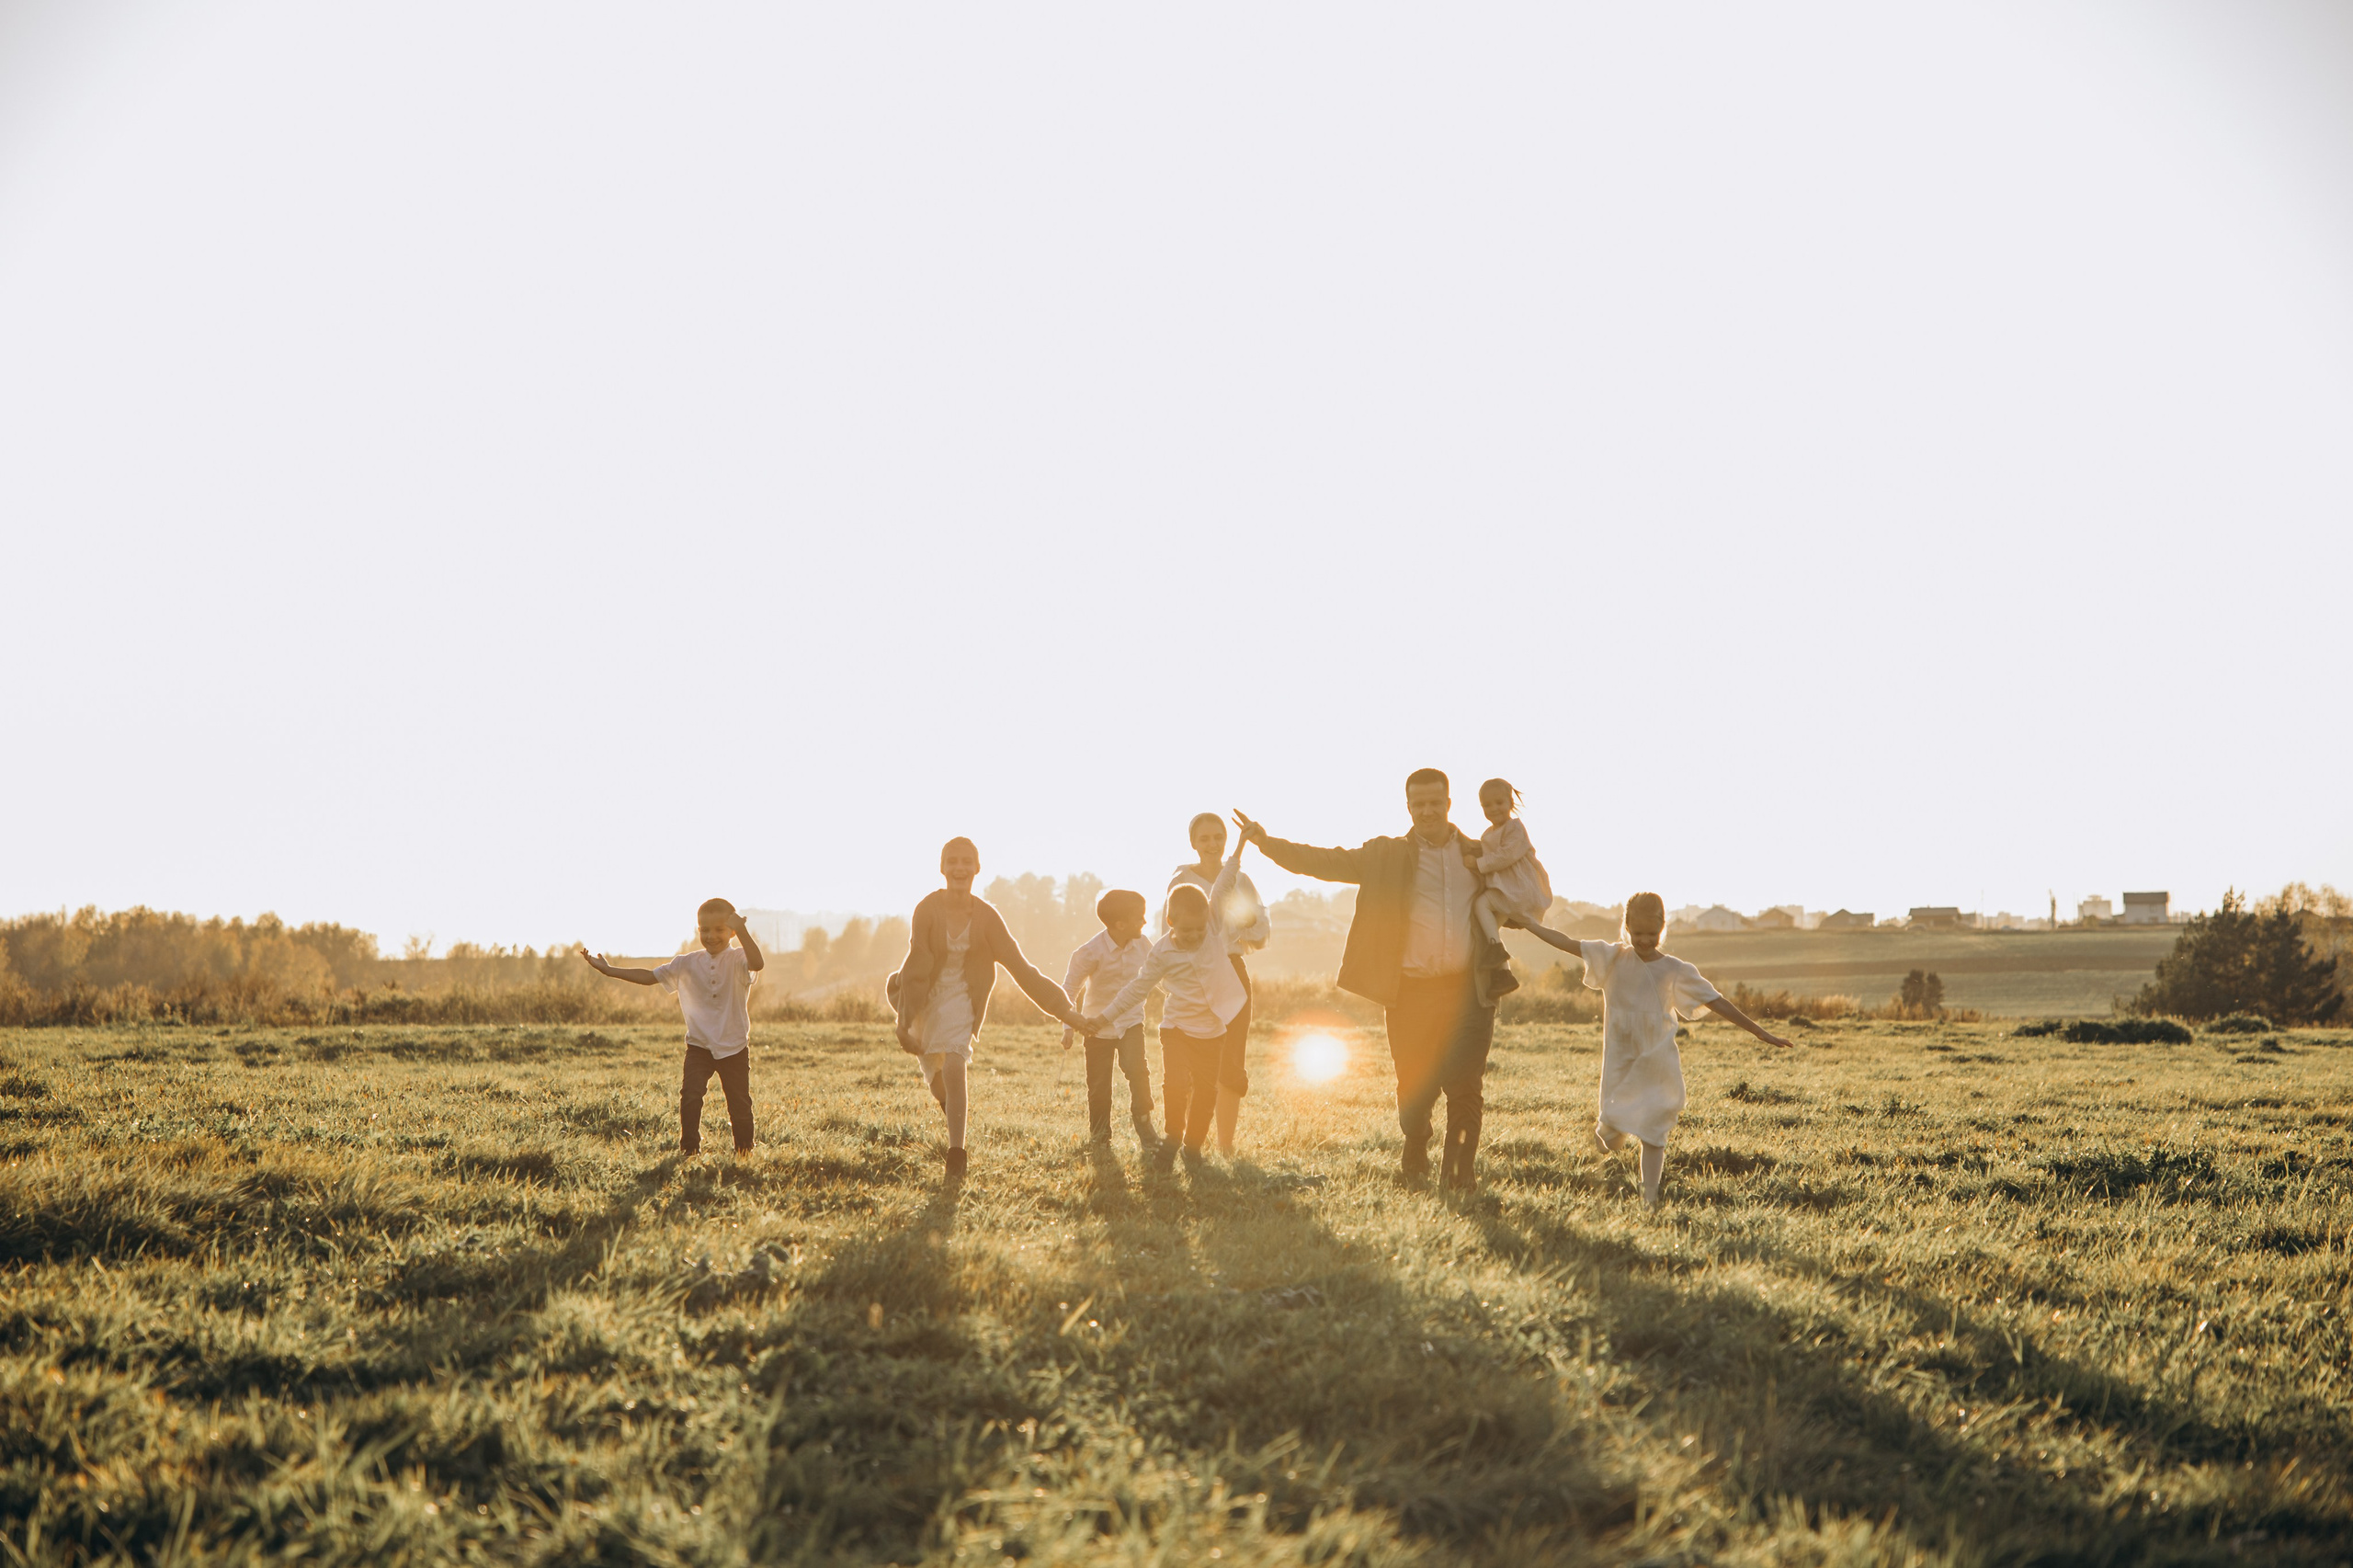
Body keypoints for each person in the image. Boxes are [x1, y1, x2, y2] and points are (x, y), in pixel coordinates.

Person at [1233, 769, 1497, 1191]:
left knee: (1465, 1087)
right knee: (1415, 1087)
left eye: (1435, 802)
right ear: (1408, 807)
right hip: (1410, 991)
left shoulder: (1481, 854)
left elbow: (1521, 890)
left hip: (1468, 991)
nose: (1428, 810)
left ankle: (1458, 1178)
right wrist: (1267, 843)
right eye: (1419, 804)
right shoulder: (1384, 855)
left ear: (1449, 803)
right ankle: (1416, 1143)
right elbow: (1325, 862)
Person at [1508, 892, 1793, 1209]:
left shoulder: (1675, 969)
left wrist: (1759, 1031)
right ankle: (1606, 1130)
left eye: (1652, 934)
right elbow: (1565, 942)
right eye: (1638, 933)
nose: (1644, 941)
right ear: (1626, 927)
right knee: (1612, 1139)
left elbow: (1716, 1001)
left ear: (1663, 929)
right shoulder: (1613, 957)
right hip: (1620, 1055)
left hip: (1658, 1057)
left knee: (1654, 1128)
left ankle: (1650, 1200)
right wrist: (1529, 924)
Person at [887, 836, 1090, 1178]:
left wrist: (1066, 1011)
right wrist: (904, 1021)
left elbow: (1023, 969)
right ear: (942, 868)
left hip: (963, 998)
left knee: (954, 1062)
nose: (960, 868)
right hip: (923, 997)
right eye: (952, 861)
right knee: (936, 1081)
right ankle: (952, 1109)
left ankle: (956, 1154)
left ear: (977, 868)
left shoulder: (987, 917)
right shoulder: (927, 909)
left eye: (967, 861)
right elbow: (917, 964)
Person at [1079, 835, 1251, 1173]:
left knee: (1206, 1093)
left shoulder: (1212, 932)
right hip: (1175, 1030)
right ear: (1170, 923)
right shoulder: (1160, 951)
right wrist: (1103, 1018)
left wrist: (1241, 845)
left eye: (1199, 930)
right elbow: (1136, 988)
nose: (1194, 937)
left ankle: (1193, 1148)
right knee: (1174, 1085)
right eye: (1186, 931)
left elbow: (1223, 884)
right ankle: (1173, 1136)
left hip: (1212, 1032)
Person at [579, 899, 765, 1157]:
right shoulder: (686, 963)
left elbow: (758, 963)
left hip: (733, 1045)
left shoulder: (739, 958)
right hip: (699, 1045)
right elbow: (650, 976)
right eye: (704, 930)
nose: (711, 936)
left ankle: (744, 1152)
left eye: (720, 930)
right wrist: (611, 971)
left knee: (739, 1104)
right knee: (690, 1097)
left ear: (732, 931)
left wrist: (743, 930)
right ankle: (689, 1150)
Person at [1166, 812, 1271, 1154]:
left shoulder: (1239, 880)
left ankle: (1226, 1145)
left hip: (1232, 970)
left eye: (1218, 837)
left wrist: (1245, 921)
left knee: (1231, 1062)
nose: (1212, 844)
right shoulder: (1181, 880)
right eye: (1205, 838)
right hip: (1194, 975)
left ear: (1226, 840)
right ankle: (1187, 1141)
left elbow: (1260, 929)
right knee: (1194, 1063)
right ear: (1193, 843)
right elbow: (1169, 931)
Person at [1061, 888, 1158, 1150]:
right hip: (1095, 1028)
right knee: (1099, 1088)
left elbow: (1159, 972)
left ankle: (1144, 1125)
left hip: (1131, 1022)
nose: (1145, 922)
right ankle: (1101, 1138)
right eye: (1140, 917)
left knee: (1138, 1071)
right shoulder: (1090, 952)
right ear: (1120, 924)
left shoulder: (1144, 944)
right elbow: (1069, 988)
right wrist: (1069, 1025)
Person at [1468, 778, 1551, 1006]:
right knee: (1491, 927)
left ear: (1510, 802)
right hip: (1507, 890)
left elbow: (1505, 856)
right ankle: (1503, 974)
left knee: (1481, 905)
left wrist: (1477, 863)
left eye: (1498, 803)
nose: (1493, 809)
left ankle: (1495, 950)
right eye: (1487, 805)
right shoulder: (1487, 834)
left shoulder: (1515, 828)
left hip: (1519, 889)